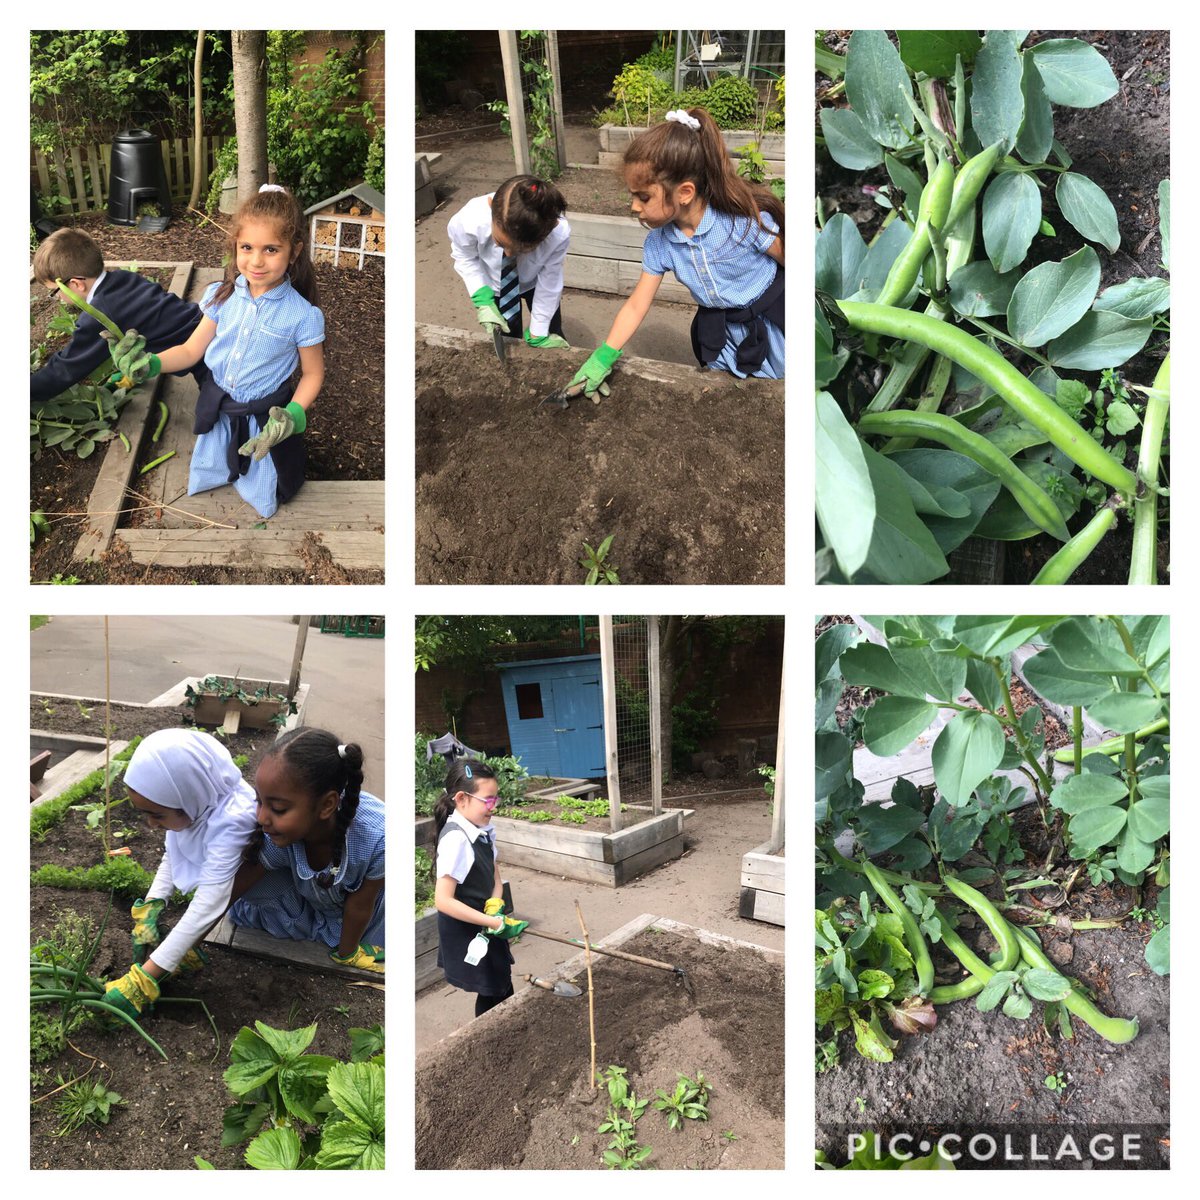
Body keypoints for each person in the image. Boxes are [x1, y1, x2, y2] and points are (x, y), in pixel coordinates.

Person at [109, 185, 325, 518]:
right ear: (235, 246)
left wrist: (294, 414)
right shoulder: (220, 297)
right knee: (214, 465)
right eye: (247, 247)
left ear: (293, 252)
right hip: (220, 410)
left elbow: (313, 374)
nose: (255, 261)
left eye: (271, 249)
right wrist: (150, 363)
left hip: (264, 421)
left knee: (261, 482)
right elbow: (189, 351)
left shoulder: (302, 315)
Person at [566, 106, 785, 399]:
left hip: (774, 326)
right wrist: (603, 357)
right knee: (731, 398)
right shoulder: (660, 243)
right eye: (632, 195)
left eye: (643, 197)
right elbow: (636, 304)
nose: (634, 206)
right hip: (722, 336)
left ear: (684, 193)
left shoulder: (743, 223)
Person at [101, 729, 260, 1021]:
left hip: (274, 900)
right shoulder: (197, 807)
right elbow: (174, 853)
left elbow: (208, 904)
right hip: (237, 894)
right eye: (144, 814)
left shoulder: (234, 820)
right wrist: (153, 904)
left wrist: (144, 979)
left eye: (157, 815)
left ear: (190, 797)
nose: (150, 824)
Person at [229, 728, 385, 973]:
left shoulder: (378, 838)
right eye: (259, 800)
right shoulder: (280, 834)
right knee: (247, 877)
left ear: (326, 805)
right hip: (316, 902)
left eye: (278, 808)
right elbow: (228, 891)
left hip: (364, 916)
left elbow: (360, 905)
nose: (261, 818)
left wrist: (347, 954)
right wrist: (182, 945)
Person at [30, 228, 206, 405]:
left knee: (212, 415)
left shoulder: (99, 315)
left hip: (209, 359)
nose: (57, 298)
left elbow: (66, 368)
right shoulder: (123, 277)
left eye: (55, 291)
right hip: (205, 327)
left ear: (76, 284)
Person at [433, 760, 528, 1017]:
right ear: (462, 798)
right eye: (487, 800)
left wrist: (495, 903)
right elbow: (443, 900)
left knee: (500, 978)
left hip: (485, 921)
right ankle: (489, 1037)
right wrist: (493, 922)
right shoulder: (456, 839)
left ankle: (507, 1025)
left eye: (495, 799)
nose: (493, 807)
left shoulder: (481, 830)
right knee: (492, 985)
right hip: (467, 928)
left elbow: (495, 878)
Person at [448, 174, 572, 348]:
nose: (508, 253)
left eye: (523, 251)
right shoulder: (469, 220)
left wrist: (539, 329)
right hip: (497, 284)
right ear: (491, 208)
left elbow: (549, 280)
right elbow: (464, 255)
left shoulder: (557, 233)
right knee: (508, 335)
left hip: (535, 282)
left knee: (550, 328)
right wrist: (481, 295)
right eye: (500, 243)